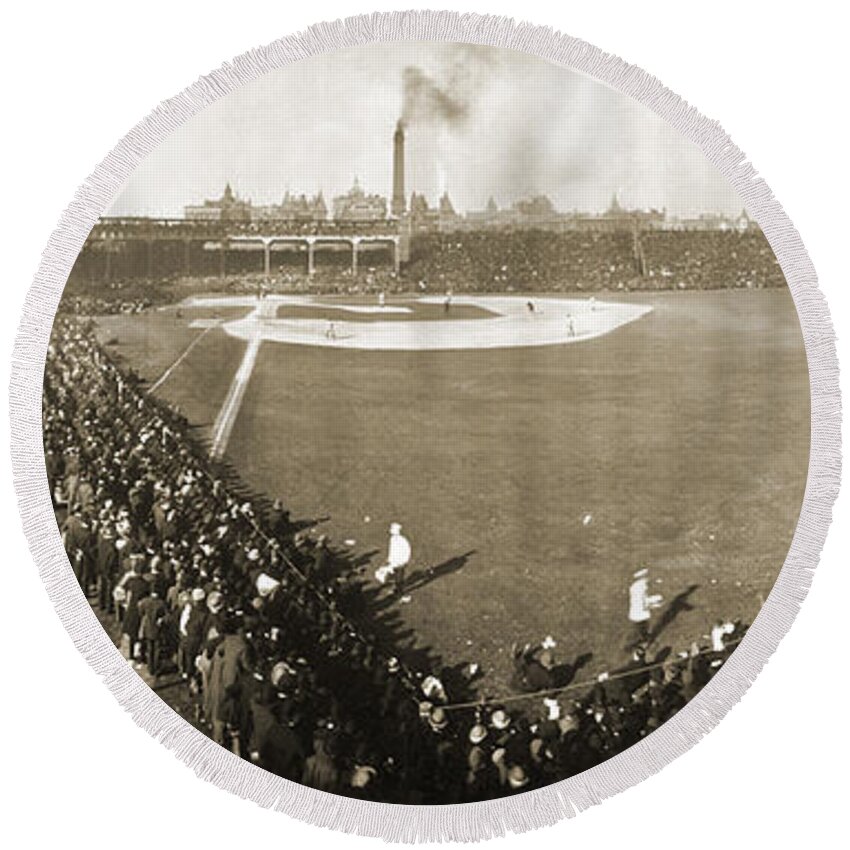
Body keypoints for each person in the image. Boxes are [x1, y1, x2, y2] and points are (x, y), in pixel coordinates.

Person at [626, 567, 663, 654]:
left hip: (636, 613)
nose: (647, 579)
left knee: (641, 629)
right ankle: (634, 646)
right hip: (640, 614)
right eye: (646, 577)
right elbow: (643, 603)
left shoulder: (634, 586)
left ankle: (644, 640)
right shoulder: (642, 588)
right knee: (640, 630)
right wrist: (655, 602)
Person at [375, 522, 411, 597]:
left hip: (399, 562)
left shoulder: (399, 540)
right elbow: (393, 551)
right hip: (397, 562)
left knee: (398, 577)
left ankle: (399, 592)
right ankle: (397, 590)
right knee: (395, 576)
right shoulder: (396, 539)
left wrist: (402, 562)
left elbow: (403, 551)